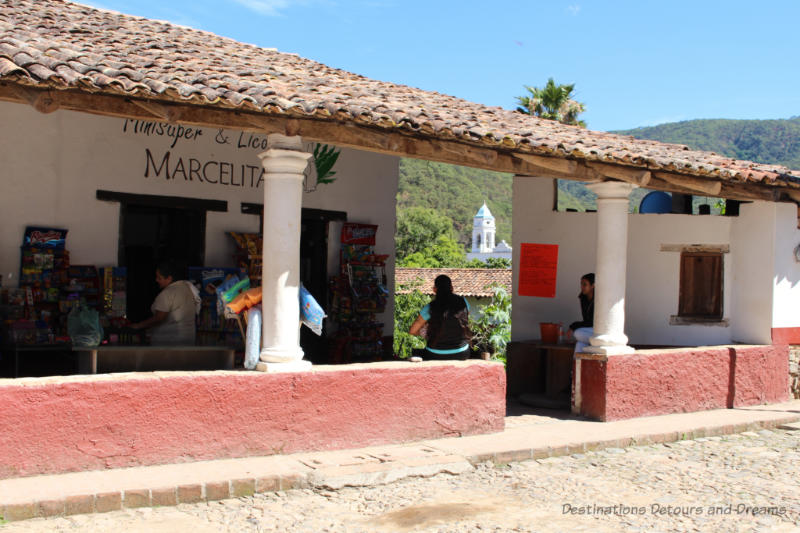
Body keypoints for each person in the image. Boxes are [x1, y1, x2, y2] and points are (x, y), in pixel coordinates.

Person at [131, 260, 201, 345]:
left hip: (170, 343)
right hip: (188, 340)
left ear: (169, 278)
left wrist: (138, 326)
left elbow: (159, 318)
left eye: (159, 278)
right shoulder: (187, 288)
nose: (156, 280)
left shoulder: (168, 293)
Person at [409, 275, 471, 360]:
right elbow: (465, 320)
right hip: (462, 353)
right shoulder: (464, 302)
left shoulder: (430, 307)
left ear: (434, 289)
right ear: (452, 288)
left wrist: (426, 333)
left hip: (435, 354)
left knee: (417, 351)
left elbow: (412, 331)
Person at [568, 273, 595, 354]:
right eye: (581, 284)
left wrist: (573, 326)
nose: (582, 287)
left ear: (593, 286)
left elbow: (592, 322)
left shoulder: (599, 299)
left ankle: (597, 342)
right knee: (580, 344)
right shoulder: (583, 298)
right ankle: (577, 366)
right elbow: (586, 320)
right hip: (589, 331)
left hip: (598, 331)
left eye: (585, 284)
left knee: (578, 333)